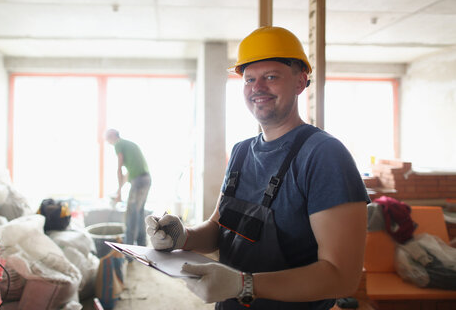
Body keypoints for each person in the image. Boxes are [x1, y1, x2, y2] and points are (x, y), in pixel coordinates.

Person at [145, 26, 370, 309]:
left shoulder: (324, 155)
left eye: (271, 77)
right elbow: (219, 227)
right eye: (249, 79)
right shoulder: (241, 151)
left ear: (301, 82)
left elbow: (342, 276)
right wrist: (183, 236)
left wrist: (245, 285)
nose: (258, 88)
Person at [105, 128, 151, 246]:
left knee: (130, 214)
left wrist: (119, 193)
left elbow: (119, 168)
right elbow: (128, 174)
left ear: (113, 136)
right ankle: (142, 246)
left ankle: (128, 250)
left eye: (108, 137)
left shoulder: (119, 144)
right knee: (139, 212)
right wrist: (118, 191)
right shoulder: (129, 145)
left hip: (139, 181)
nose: (107, 141)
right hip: (146, 179)